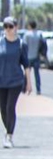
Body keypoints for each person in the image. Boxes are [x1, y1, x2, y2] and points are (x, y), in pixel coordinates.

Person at [0, 16, 31, 148]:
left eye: (10, 26)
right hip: (1, 81)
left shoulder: (21, 44)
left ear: (16, 28)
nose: (7, 29)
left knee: (10, 107)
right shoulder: (0, 42)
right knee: (3, 109)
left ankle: (9, 135)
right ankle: (8, 131)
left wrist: (29, 82)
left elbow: (26, 65)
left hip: (16, 81)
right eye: (5, 27)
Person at [22, 20, 44, 95]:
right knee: (37, 74)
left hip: (28, 57)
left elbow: (24, 45)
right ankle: (38, 89)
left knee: (26, 74)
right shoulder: (39, 34)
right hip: (36, 56)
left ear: (30, 26)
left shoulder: (27, 35)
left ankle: (24, 88)